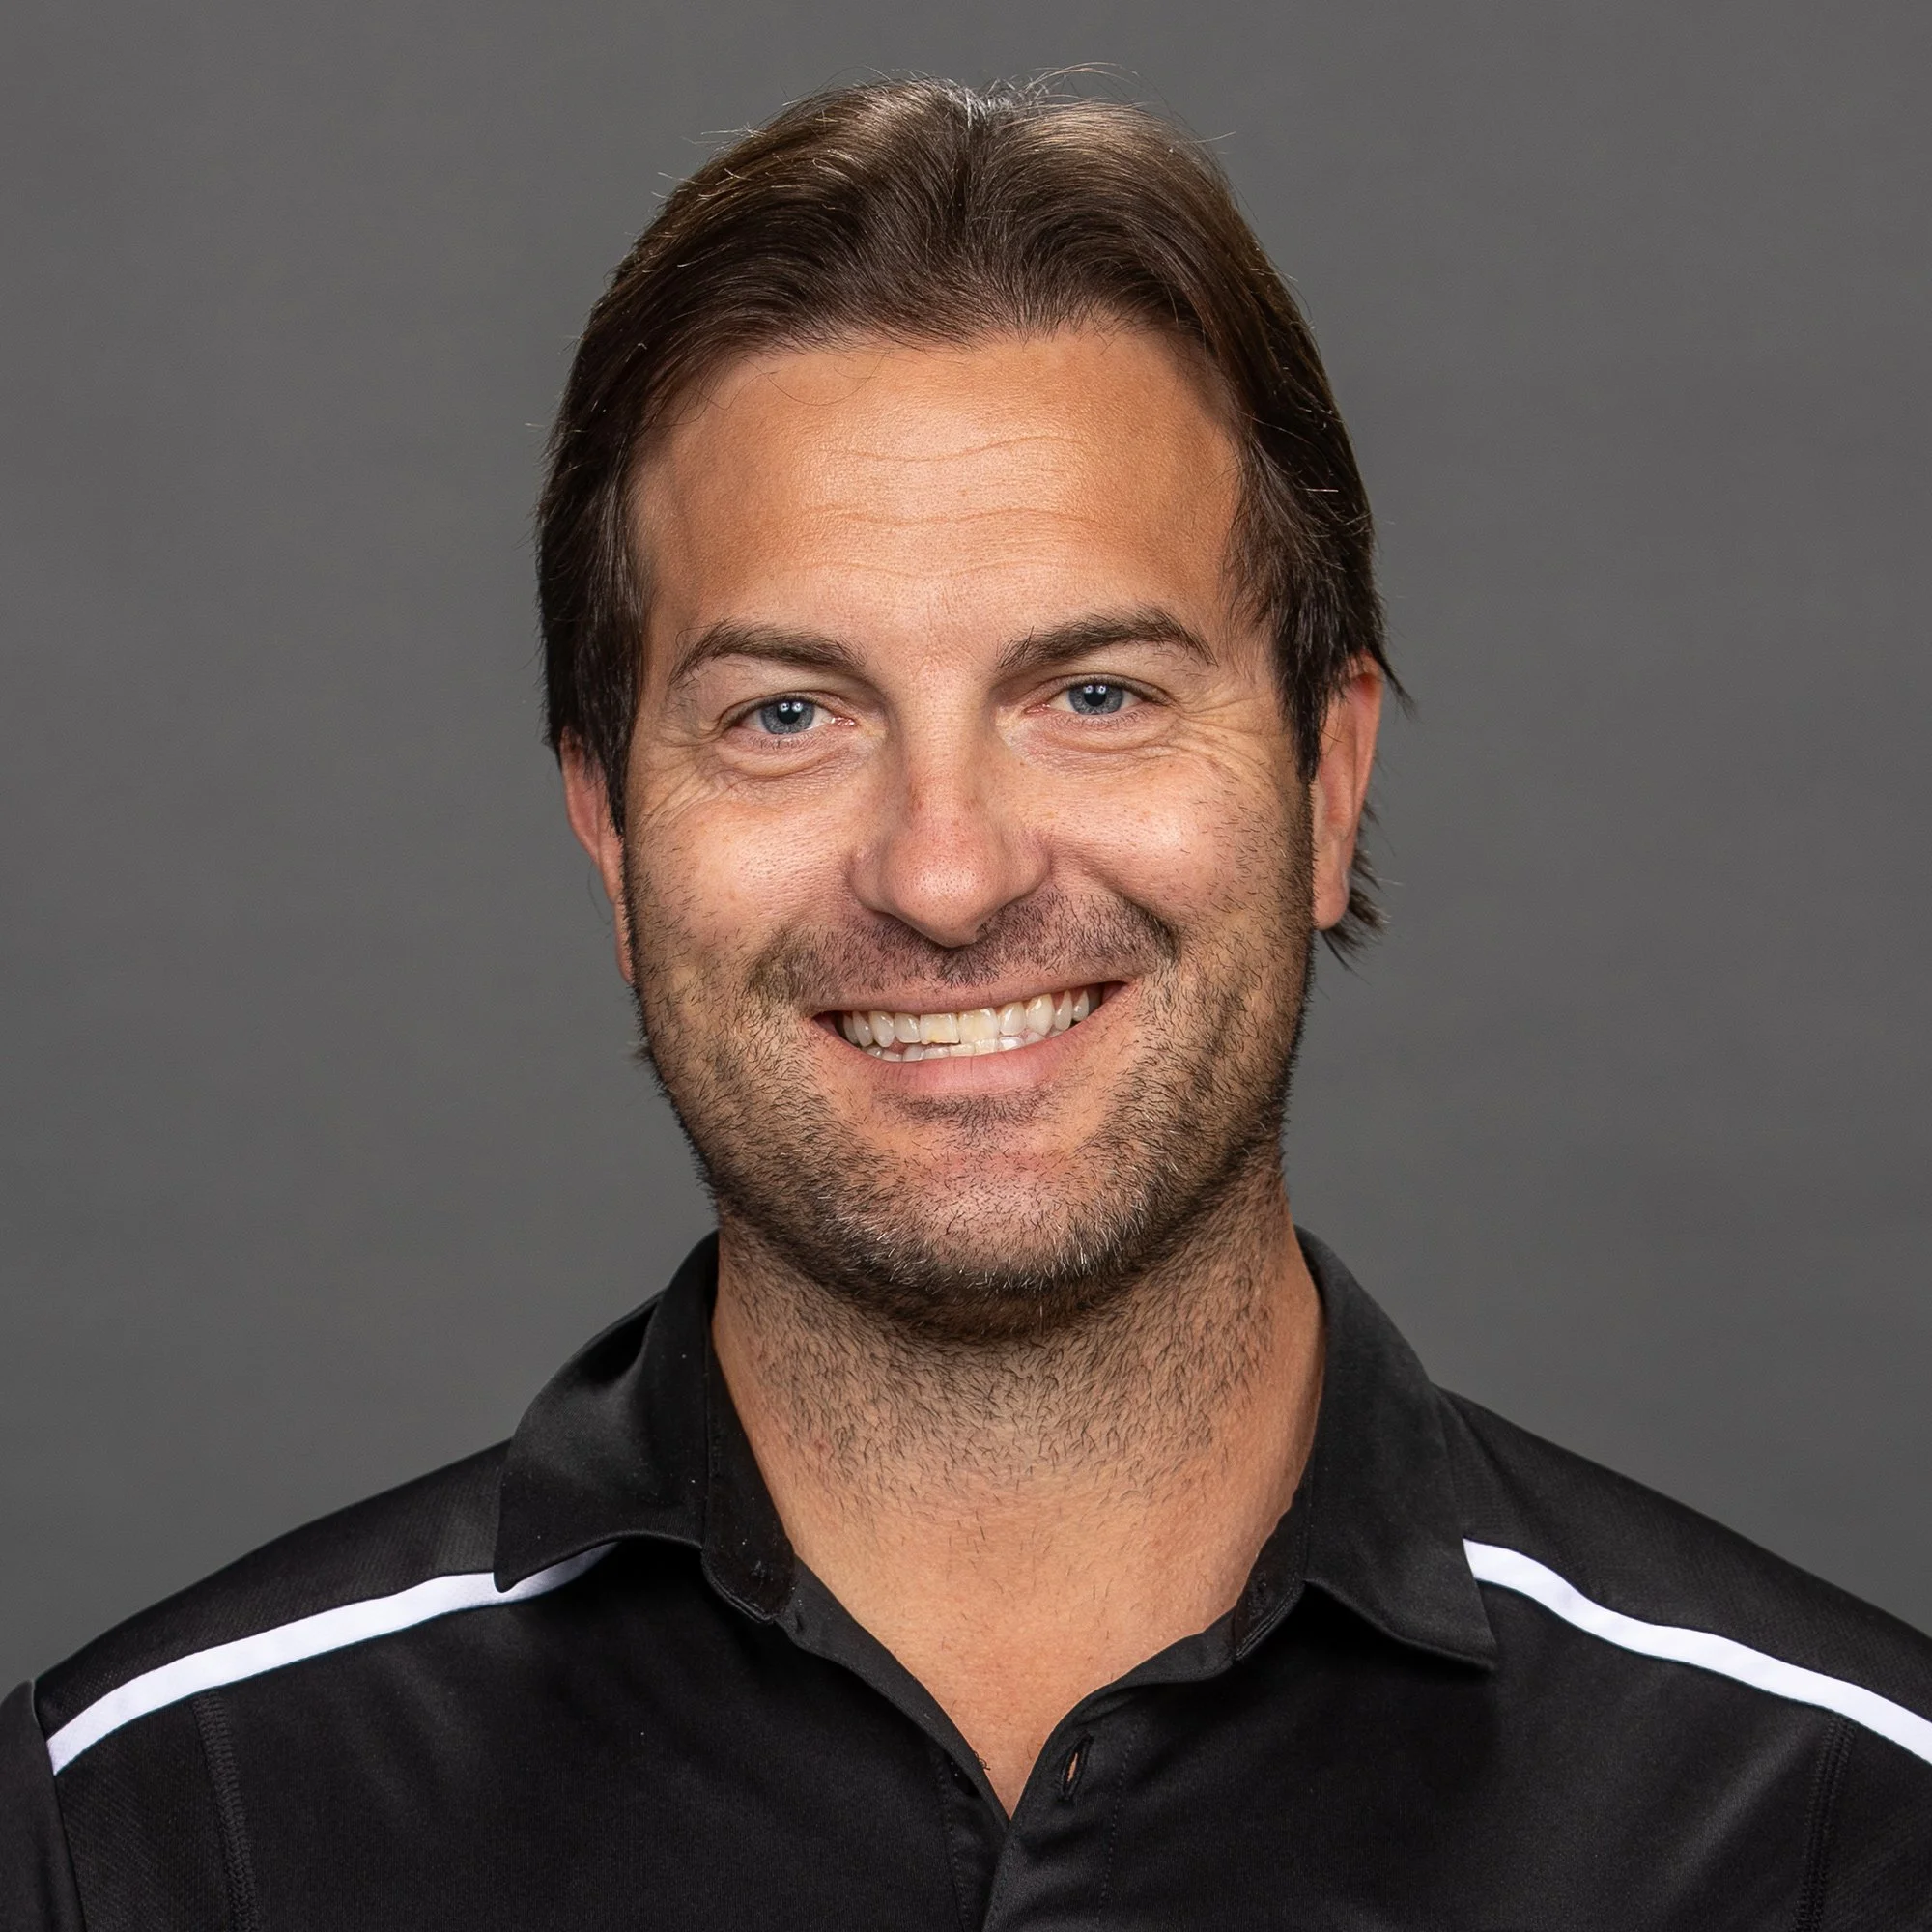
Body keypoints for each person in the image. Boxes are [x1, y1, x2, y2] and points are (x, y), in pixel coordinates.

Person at [5, 75, 1927, 1930]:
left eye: (1092, 691)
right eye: (787, 714)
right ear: (610, 834)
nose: (946, 870)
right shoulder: (145, 1837)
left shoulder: (1839, 1826)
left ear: (1329, 786)